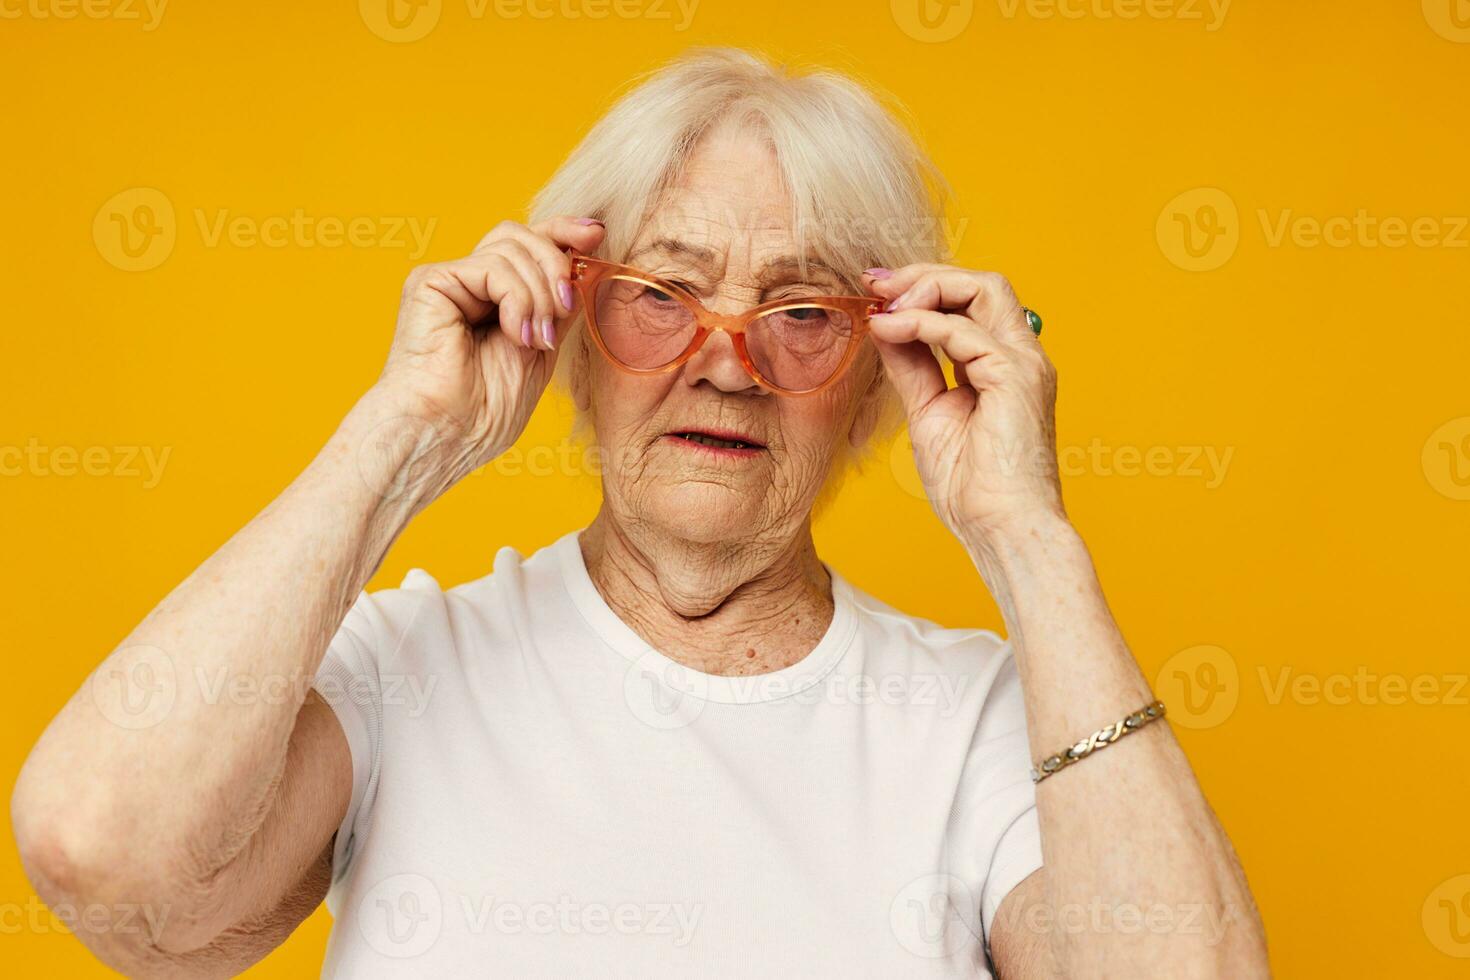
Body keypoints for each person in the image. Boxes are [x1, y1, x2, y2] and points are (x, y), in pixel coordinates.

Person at [12, 48, 1268, 978]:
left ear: (878, 378)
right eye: (660, 294)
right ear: (571, 333)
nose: (727, 363)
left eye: (800, 313)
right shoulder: (410, 665)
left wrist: (1028, 536)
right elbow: (99, 855)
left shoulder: (982, 717)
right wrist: (400, 435)